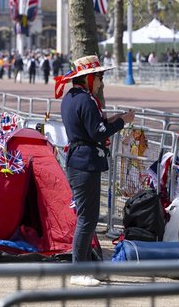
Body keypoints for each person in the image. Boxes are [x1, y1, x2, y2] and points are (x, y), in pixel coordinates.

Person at [54, 55, 135, 287]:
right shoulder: (86, 100)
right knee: (87, 219)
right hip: (84, 163)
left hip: (81, 161)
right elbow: (98, 132)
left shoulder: (74, 97)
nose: (101, 82)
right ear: (89, 78)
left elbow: (91, 126)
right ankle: (78, 270)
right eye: (99, 77)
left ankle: (86, 266)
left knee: (87, 218)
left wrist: (117, 118)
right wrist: (121, 122)